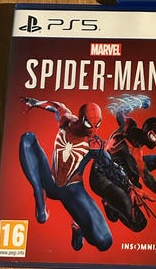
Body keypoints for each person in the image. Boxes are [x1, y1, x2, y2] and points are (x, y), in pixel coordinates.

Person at [18, 97, 112, 251]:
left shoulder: (94, 144)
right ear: (81, 119)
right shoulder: (67, 120)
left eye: (97, 124)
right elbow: (56, 106)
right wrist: (34, 102)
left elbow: (111, 167)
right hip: (50, 181)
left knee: (104, 241)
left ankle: (78, 229)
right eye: (89, 124)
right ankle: (39, 192)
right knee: (27, 139)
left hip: (73, 191)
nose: (93, 129)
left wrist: (126, 185)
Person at [90, 112, 156, 232]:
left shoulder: (136, 151)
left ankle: (121, 192)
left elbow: (146, 175)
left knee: (155, 160)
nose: (155, 140)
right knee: (139, 223)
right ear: (147, 131)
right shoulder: (129, 129)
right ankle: (110, 203)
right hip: (101, 175)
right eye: (153, 135)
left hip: (120, 170)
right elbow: (120, 114)